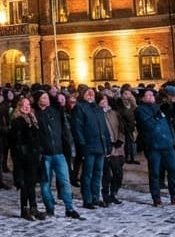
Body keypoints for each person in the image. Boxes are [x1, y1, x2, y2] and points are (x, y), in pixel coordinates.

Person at [135, 88, 175, 207]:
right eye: (148, 95)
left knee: (174, 171)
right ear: (142, 98)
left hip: (167, 145)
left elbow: (170, 123)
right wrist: (157, 116)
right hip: (153, 146)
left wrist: (172, 139)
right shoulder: (140, 110)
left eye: (152, 95)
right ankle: (156, 198)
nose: (151, 97)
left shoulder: (159, 107)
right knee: (155, 173)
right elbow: (148, 124)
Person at [35, 91, 82, 219]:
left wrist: (67, 148)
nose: (47, 99)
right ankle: (50, 207)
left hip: (59, 153)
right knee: (45, 183)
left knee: (65, 182)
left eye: (47, 97)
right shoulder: (35, 114)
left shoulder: (55, 112)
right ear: (38, 100)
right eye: (43, 98)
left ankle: (69, 208)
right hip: (45, 155)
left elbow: (64, 131)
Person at [72, 87, 109, 209]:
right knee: (87, 174)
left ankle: (95, 197)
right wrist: (82, 145)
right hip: (88, 146)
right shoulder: (80, 108)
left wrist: (107, 144)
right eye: (87, 93)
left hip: (100, 145)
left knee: (98, 173)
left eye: (92, 93)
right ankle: (87, 199)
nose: (90, 95)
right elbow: (78, 128)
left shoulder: (98, 109)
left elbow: (104, 127)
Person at [9, 95, 44, 220]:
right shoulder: (17, 120)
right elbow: (17, 139)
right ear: (19, 107)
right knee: (25, 184)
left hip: (33, 156)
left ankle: (33, 207)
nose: (26, 107)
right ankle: (24, 209)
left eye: (28, 105)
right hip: (22, 157)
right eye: (24, 105)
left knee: (32, 183)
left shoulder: (32, 119)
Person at [99, 94, 126, 205]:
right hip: (106, 148)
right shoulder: (98, 114)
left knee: (118, 172)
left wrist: (120, 139)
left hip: (118, 147)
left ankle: (114, 193)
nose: (103, 101)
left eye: (105, 99)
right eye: (101, 99)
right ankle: (106, 195)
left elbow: (122, 128)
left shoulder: (115, 113)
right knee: (107, 174)